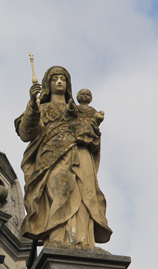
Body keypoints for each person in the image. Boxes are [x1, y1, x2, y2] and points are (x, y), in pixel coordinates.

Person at [15, 67, 111, 249]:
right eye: (55, 79)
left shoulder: (78, 111)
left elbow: (91, 134)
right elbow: (26, 132)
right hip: (52, 158)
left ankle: (83, 241)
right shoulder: (42, 108)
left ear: (68, 85)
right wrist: (32, 104)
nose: (59, 82)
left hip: (80, 156)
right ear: (47, 85)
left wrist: (93, 126)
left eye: (63, 79)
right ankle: (57, 238)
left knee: (84, 195)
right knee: (60, 191)